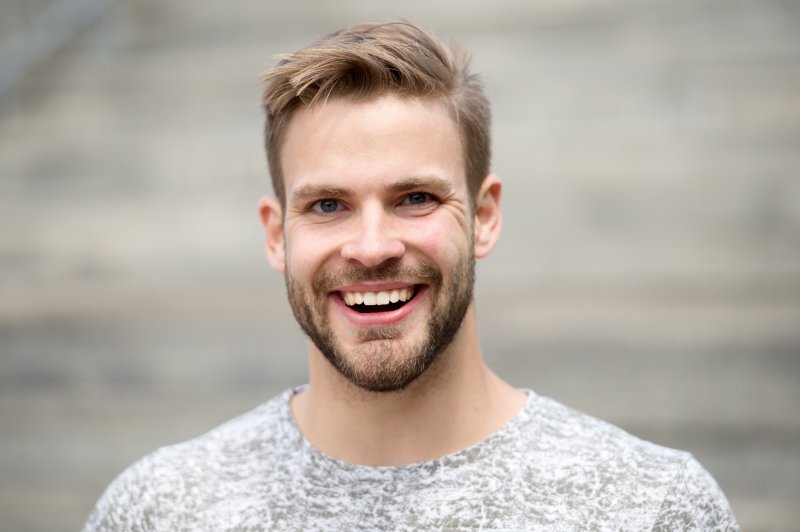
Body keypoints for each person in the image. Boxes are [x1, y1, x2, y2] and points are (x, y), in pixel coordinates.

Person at [84, 21, 739, 530]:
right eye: (328, 205)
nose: (372, 247)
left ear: (484, 217)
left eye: (416, 198)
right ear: (277, 235)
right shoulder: (161, 511)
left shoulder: (651, 508)